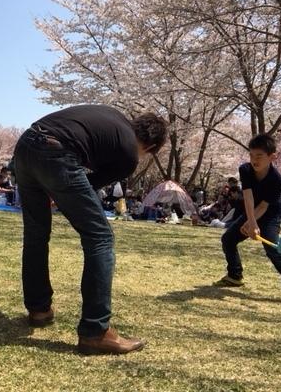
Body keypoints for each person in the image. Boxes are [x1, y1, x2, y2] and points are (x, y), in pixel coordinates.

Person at [12, 105, 167, 354]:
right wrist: (58, 188)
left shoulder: (113, 116)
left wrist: (55, 189)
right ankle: (96, 331)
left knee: (36, 235)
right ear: (149, 147)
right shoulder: (129, 154)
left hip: (25, 146)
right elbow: (91, 183)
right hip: (56, 153)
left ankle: (39, 310)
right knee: (100, 237)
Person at [213, 134, 281, 307]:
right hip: (251, 211)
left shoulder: (277, 180)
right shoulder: (245, 170)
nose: (254, 160)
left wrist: (252, 224)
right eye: (251, 155)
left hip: (271, 214)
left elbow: (264, 207)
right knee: (228, 239)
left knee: (272, 248)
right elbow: (248, 197)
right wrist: (250, 222)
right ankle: (235, 276)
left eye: (259, 156)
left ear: (272, 157)